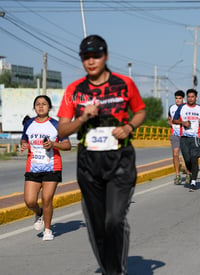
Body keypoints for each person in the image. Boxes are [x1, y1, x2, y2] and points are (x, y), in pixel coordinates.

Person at [57, 35, 146, 275]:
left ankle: (116, 270)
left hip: (120, 161)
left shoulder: (124, 83)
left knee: (114, 220)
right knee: (97, 226)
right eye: (86, 57)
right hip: (88, 164)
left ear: (105, 56)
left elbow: (140, 112)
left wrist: (128, 128)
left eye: (96, 56)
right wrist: (83, 117)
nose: (91, 61)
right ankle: (109, 269)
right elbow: (62, 130)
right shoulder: (74, 90)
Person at [21, 95, 71, 241]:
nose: (41, 106)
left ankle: (48, 230)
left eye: (44, 104)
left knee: (47, 198)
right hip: (33, 167)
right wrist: (24, 144)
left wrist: (53, 144)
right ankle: (39, 212)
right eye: (37, 104)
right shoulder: (29, 123)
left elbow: (67, 145)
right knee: (30, 201)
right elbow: (24, 138)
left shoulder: (56, 125)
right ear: (34, 107)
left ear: (49, 107)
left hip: (52, 167)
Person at [172, 89, 200, 192]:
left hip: (196, 137)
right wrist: (182, 123)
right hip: (184, 137)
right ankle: (192, 172)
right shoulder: (182, 108)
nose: (190, 99)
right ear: (186, 98)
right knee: (187, 159)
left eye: (192, 97)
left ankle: (193, 181)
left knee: (194, 158)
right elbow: (174, 120)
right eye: (189, 97)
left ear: (196, 98)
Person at [168, 90, 190, 185]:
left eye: (180, 98)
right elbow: (169, 119)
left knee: (187, 156)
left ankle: (188, 174)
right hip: (175, 134)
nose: (178, 100)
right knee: (175, 154)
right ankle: (177, 175)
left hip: (185, 134)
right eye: (176, 98)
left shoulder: (186, 108)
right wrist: (171, 124)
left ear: (183, 99)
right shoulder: (171, 108)